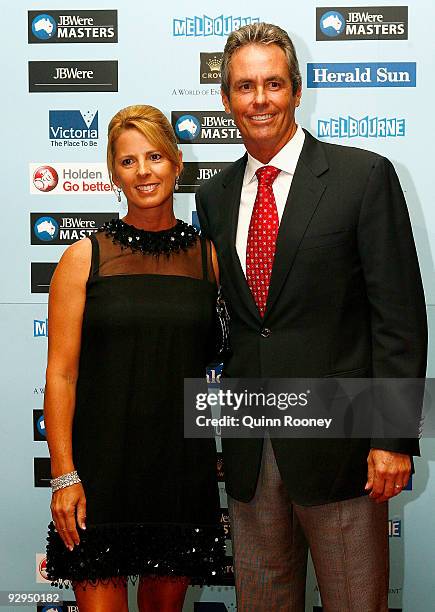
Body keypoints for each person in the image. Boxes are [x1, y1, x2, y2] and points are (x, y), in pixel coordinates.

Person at [195, 22, 427, 612]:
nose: (260, 100)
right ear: (226, 101)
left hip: (343, 446)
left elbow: (398, 320)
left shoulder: (363, 176)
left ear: (297, 91)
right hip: (250, 445)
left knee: (355, 601)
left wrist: (393, 438)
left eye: (274, 84)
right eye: (244, 87)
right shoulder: (214, 196)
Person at [44, 104, 225, 612]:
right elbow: (60, 375)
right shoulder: (84, 258)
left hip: (179, 472)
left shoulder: (210, 259)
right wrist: (65, 475)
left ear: (176, 162)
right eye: (128, 161)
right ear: (113, 171)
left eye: (155, 157)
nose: (143, 171)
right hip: (99, 477)